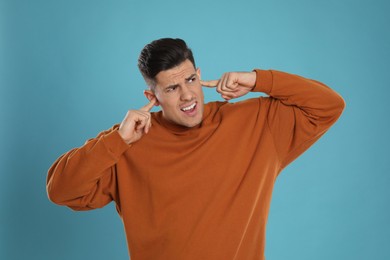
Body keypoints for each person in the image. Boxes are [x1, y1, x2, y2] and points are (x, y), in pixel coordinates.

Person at [46, 38, 345, 260]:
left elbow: (329, 106)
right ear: (153, 96)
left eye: (191, 80)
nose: (188, 95)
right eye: (172, 88)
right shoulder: (129, 142)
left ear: (199, 75)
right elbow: (61, 190)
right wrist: (116, 141)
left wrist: (258, 80)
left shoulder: (253, 122)